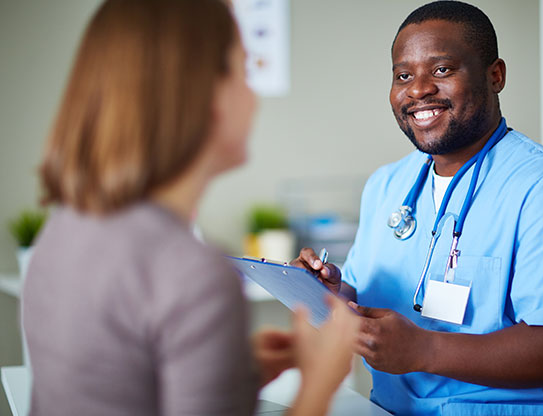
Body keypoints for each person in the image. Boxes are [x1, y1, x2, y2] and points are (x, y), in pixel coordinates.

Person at [22, 1, 359, 415]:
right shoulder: (193, 273)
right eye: (244, 71)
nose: (254, 97)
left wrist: (227, 374)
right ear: (204, 95)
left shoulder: (65, 228)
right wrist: (321, 381)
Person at [292, 1, 543, 415]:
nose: (417, 90)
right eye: (403, 75)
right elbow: (363, 293)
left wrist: (426, 349)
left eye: (441, 70)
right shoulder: (386, 185)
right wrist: (328, 292)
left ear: (495, 75)